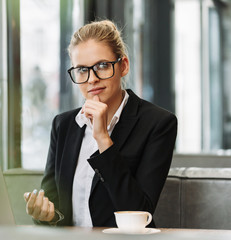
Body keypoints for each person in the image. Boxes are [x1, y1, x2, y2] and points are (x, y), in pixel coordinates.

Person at [24, 19, 177, 227]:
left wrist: (103, 139)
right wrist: (45, 215)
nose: (91, 79)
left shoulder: (158, 123)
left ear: (123, 66)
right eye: (81, 70)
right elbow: (56, 209)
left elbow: (140, 214)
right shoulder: (63, 125)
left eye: (102, 66)